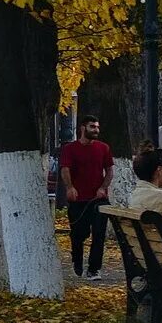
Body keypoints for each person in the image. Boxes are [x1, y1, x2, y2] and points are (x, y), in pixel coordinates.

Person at [59, 117, 115, 280]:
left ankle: (94, 269)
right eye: (92, 127)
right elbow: (65, 169)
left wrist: (103, 187)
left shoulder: (103, 148)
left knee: (99, 234)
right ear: (83, 128)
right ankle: (77, 260)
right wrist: (70, 187)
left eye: (97, 127)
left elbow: (109, 170)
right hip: (78, 199)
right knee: (79, 234)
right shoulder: (70, 149)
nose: (96, 130)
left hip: (98, 199)